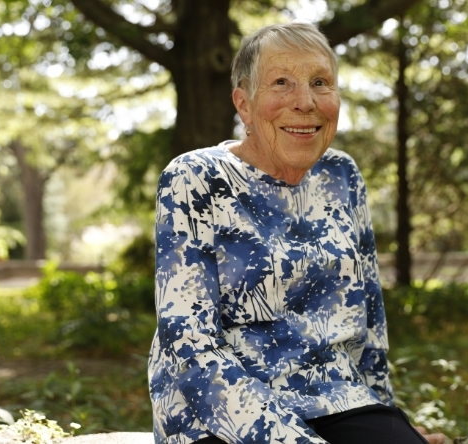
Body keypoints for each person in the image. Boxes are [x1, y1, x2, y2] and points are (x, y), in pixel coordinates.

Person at [148, 22, 446, 444]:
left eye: (320, 82)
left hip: (335, 396)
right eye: (282, 83)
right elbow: (190, 345)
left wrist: (388, 418)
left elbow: (369, 321)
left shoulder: (342, 174)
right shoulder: (194, 178)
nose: (305, 102)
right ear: (244, 104)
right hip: (218, 410)